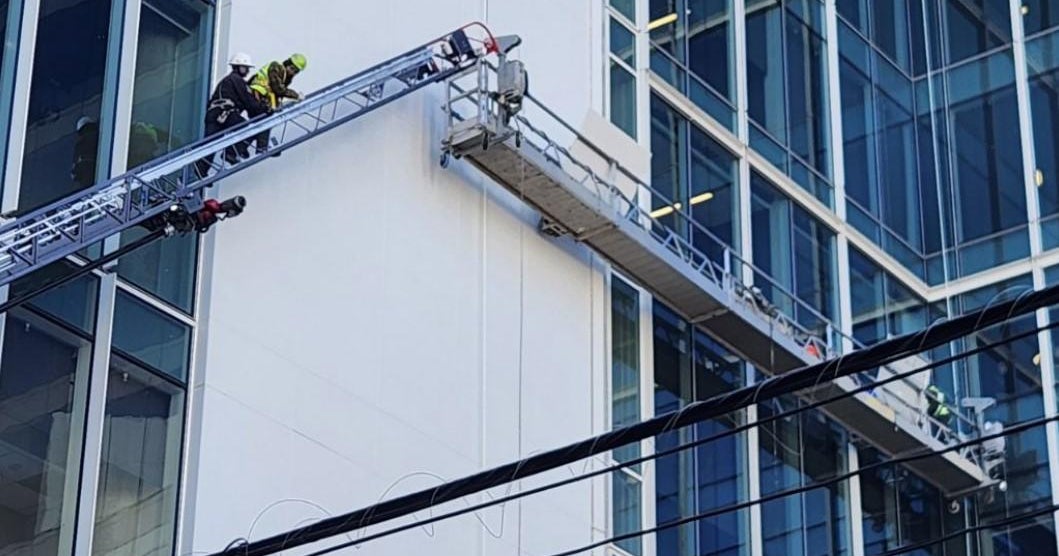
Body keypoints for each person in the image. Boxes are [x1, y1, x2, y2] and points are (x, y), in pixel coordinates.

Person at [196, 53, 269, 176]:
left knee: (210, 146)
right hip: (225, 113)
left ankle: (200, 172)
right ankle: (231, 152)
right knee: (248, 129)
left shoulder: (228, 81)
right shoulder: (236, 80)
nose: (247, 71)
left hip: (214, 115)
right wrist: (264, 109)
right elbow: (249, 101)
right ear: (238, 67)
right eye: (245, 68)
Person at [249, 53, 307, 155]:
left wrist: (277, 105)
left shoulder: (284, 77)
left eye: (296, 72)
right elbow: (278, 88)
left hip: (263, 97)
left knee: (259, 125)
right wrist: (295, 95)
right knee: (264, 122)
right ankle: (261, 148)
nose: (292, 72)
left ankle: (243, 149)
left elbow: (276, 94)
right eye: (292, 68)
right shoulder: (276, 67)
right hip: (258, 94)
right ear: (287, 63)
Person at [141, 196, 247, 236]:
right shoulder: (213, 203)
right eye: (230, 202)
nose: (227, 204)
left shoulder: (213, 218)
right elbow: (198, 205)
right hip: (183, 215)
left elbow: (201, 227)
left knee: (155, 225)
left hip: (185, 222)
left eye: (230, 205)